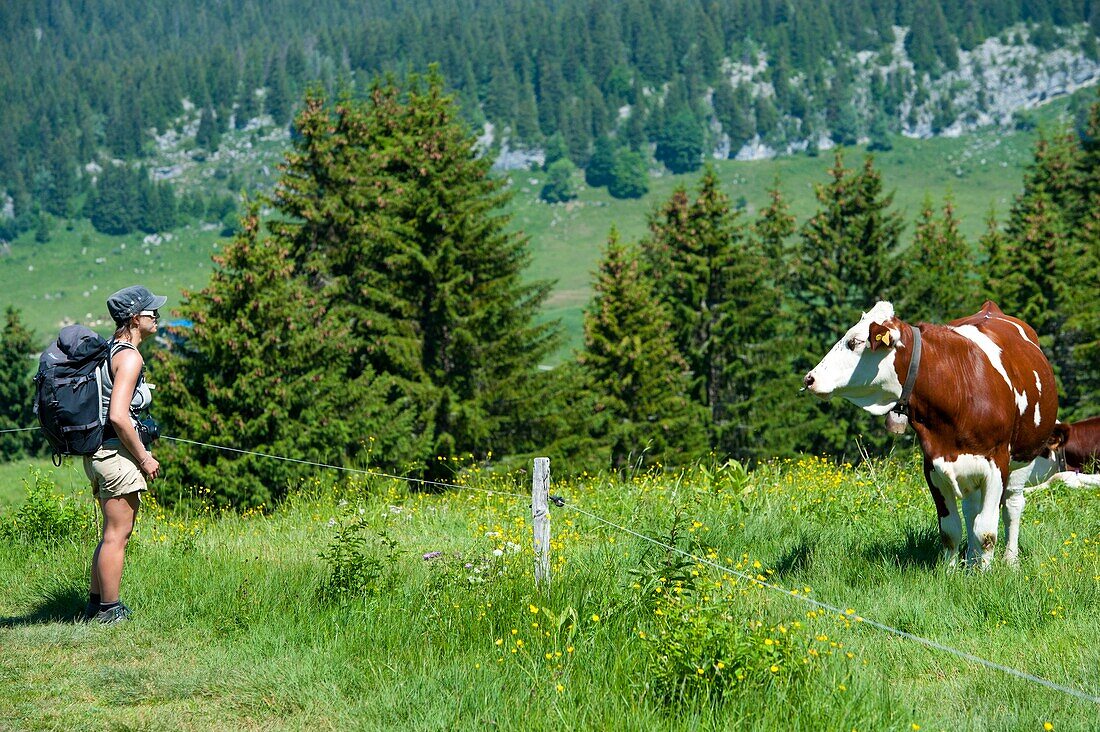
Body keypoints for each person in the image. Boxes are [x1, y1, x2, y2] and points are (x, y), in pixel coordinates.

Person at [82, 285, 165, 624]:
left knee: (110, 533)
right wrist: (144, 457)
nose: (156, 316)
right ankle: (110, 611)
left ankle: (95, 603)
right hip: (115, 456)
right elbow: (118, 415)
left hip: (98, 452)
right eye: (151, 312)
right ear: (135, 318)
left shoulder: (109, 350)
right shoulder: (129, 356)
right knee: (118, 534)